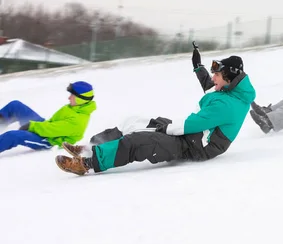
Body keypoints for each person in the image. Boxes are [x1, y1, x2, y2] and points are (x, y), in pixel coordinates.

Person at [55, 44, 256, 176]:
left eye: (217, 75)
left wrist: (164, 130)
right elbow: (209, 85)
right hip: (192, 135)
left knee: (139, 140)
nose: (213, 78)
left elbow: (191, 124)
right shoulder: (229, 91)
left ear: (228, 78)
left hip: (194, 147)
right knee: (133, 122)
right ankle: (91, 146)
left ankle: (87, 163)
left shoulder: (227, 106)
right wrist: (198, 66)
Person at [0, 81, 96, 155]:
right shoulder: (75, 107)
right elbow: (50, 126)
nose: (69, 98)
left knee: (13, 136)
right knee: (15, 105)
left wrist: (32, 126)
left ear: (80, 98)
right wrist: (34, 125)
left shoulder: (77, 121)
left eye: (72, 95)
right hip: (45, 128)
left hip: (48, 142)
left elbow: (51, 130)